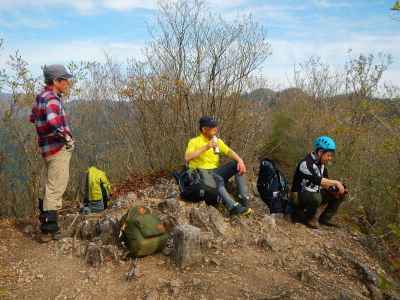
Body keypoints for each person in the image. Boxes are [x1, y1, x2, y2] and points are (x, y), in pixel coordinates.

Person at [30, 64, 74, 242]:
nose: (67, 83)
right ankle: (49, 229)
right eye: (65, 80)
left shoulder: (42, 96)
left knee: (51, 184)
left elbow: (33, 117)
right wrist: (67, 138)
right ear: (56, 81)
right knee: (56, 186)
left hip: (46, 148)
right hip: (57, 148)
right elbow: (53, 121)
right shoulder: (52, 99)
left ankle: (47, 224)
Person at [185, 116, 252, 216]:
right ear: (204, 129)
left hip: (215, 171)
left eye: (216, 126)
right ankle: (232, 207)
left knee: (236, 165)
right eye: (212, 127)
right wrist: (207, 147)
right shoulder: (194, 141)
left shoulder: (217, 141)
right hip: (200, 173)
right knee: (215, 178)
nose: (216, 128)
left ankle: (244, 199)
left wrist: (240, 160)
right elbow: (187, 157)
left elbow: (229, 152)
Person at [291, 136, 346, 229]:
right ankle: (305, 217)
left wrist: (335, 190)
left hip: (313, 192)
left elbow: (326, 183)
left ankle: (323, 219)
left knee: (340, 191)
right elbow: (317, 180)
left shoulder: (322, 166)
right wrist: (336, 182)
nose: (330, 158)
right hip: (299, 195)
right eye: (328, 155)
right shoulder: (306, 164)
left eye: (331, 156)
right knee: (315, 197)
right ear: (320, 152)